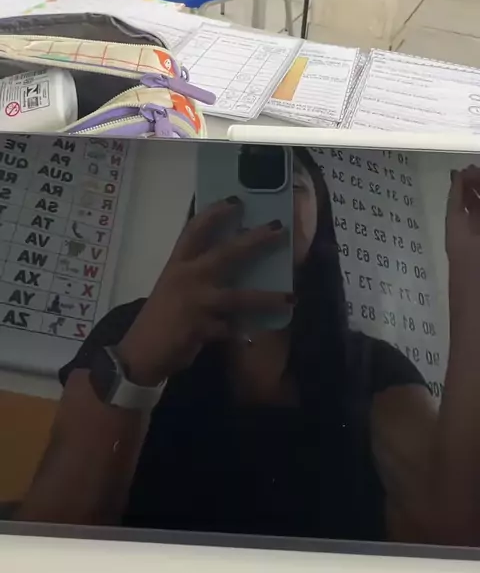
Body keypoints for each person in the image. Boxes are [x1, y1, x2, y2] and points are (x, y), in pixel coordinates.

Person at [16, 151, 480, 545]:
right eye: (239, 184)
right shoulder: (131, 328)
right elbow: (48, 538)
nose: (267, 202)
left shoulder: (374, 369)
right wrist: (138, 363)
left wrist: (470, 272)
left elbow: (454, 536)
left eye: (293, 184)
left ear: (321, 220)